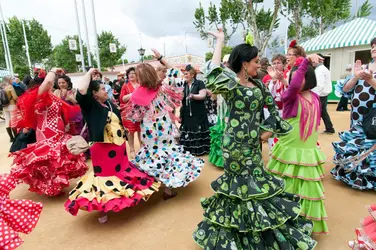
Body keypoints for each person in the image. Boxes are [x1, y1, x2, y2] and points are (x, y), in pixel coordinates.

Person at [193, 29, 317, 249]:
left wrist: (267, 131)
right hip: (234, 147)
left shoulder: (259, 85)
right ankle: (237, 238)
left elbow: (274, 111)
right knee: (238, 191)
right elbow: (212, 71)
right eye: (255, 61)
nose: (259, 65)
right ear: (244, 64)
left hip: (253, 146)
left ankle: (258, 235)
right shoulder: (231, 86)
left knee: (257, 186)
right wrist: (220, 41)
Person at [65, 68, 160, 223]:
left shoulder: (108, 103)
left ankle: (122, 200)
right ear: (94, 94)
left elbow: (115, 119)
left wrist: (124, 128)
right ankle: (103, 210)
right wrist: (89, 72)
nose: (106, 90)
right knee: (104, 179)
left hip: (118, 148)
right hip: (102, 149)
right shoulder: (89, 105)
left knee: (121, 174)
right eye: (102, 89)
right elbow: (82, 90)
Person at [125, 50, 204, 199]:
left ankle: (151, 183)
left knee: (151, 154)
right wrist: (161, 58)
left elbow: (135, 117)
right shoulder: (163, 87)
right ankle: (168, 189)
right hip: (164, 126)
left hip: (148, 129)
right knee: (168, 153)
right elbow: (176, 72)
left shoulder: (137, 94)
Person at [266, 55, 329, 235]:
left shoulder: (315, 97)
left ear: (307, 79)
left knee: (305, 188)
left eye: (298, 77)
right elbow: (293, 87)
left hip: (306, 151)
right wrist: (304, 63)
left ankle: (303, 223)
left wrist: (302, 66)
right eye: (292, 78)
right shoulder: (290, 96)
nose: (294, 81)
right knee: (288, 185)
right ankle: (285, 221)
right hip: (289, 150)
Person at [10, 69, 88, 197]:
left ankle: (56, 184)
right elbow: (47, 82)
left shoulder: (52, 96)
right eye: (51, 84)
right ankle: (51, 186)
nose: (52, 85)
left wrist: (66, 123)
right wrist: (53, 71)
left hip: (58, 131)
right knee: (50, 159)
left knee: (58, 158)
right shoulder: (39, 96)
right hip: (47, 132)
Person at [331, 38, 376, 190]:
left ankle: (370, 179)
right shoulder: (363, 67)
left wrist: (370, 79)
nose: (374, 48)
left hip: (373, 118)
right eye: (373, 46)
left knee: (371, 143)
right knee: (357, 143)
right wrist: (356, 76)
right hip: (357, 118)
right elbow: (345, 89)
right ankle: (355, 176)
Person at [179, 65, 210, 156]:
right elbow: (181, 98)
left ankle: (201, 150)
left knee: (198, 129)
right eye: (184, 74)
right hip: (186, 112)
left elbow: (202, 95)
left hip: (198, 112)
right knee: (188, 129)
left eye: (187, 74)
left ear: (192, 75)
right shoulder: (183, 84)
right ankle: (189, 150)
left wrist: (193, 96)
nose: (185, 75)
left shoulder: (199, 83)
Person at [208, 54, 230, 168]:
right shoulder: (220, 78)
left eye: (228, 63)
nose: (226, 65)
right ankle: (220, 160)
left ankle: (228, 160)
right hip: (221, 109)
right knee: (221, 131)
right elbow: (214, 97)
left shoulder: (234, 77)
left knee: (228, 133)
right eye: (224, 63)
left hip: (229, 109)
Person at [119, 67, 141, 159]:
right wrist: (133, 94)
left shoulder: (141, 85)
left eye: (133, 73)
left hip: (141, 111)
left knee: (141, 130)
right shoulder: (125, 86)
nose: (131, 75)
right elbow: (122, 98)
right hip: (129, 112)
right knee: (130, 132)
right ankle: (132, 150)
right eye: (129, 73)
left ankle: (143, 147)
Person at [312, 54, 335, 134]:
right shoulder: (322, 69)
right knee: (323, 112)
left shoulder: (319, 70)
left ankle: (328, 128)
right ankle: (329, 128)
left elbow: (319, 85)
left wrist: (313, 95)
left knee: (317, 112)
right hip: (323, 94)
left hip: (320, 94)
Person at [2, 76, 18, 142]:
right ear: (8, 80)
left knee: (7, 121)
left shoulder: (1, 87)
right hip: (12, 105)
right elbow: (15, 97)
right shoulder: (10, 87)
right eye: (11, 79)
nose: (12, 80)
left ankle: (11, 138)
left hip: (4, 106)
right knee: (13, 122)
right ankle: (16, 138)